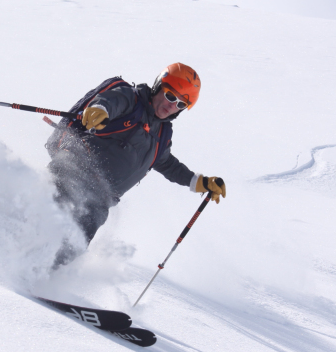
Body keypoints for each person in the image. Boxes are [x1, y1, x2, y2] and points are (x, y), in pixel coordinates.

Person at [46, 63, 226, 266]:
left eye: (181, 104)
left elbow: (166, 163)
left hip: (100, 198)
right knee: (50, 217)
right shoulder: (131, 99)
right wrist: (99, 110)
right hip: (74, 169)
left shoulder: (162, 134)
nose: (172, 105)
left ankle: (40, 279)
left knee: (74, 244)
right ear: (159, 86)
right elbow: (110, 101)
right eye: (170, 96)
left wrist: (198, 181)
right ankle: (14, 248)